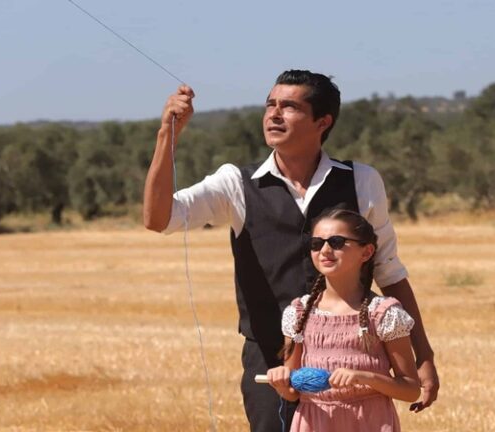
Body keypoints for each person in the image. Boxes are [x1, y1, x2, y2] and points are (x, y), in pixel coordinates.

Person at [143, 70, 438, 432]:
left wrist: (423, 356)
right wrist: (167, 136)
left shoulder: (361, 180)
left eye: (289, 106)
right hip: (272, 361)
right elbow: (158, 218)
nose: (274, 114)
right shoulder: (235, 183)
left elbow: (389, 272)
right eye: (270, 104)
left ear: (322, 122)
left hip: (355, 362)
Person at [266, 208, 420, 431]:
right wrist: (281, 383)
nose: (325, 250)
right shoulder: (299, 313)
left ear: (366, 252)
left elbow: (410, 390)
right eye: (316, 244)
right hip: (314, 423)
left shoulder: (384, 314)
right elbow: (293, 392)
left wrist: (366, 378)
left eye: (336, 242)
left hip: (370, 423)